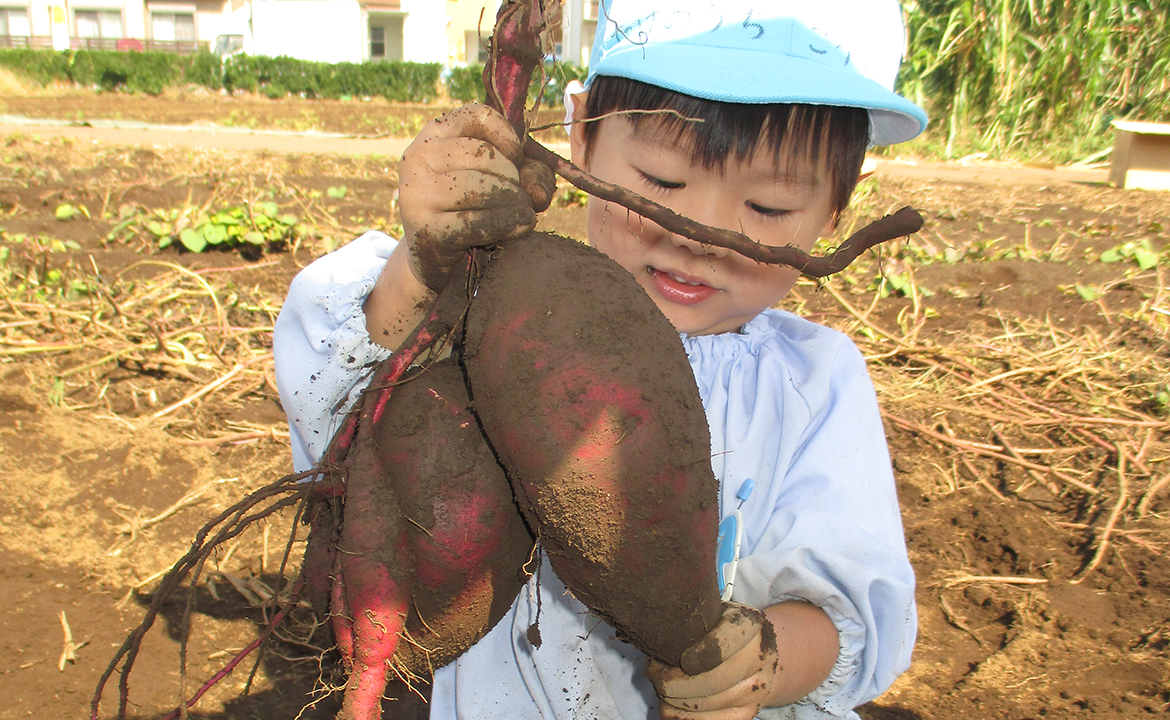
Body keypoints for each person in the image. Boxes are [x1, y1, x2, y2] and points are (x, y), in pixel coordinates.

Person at [273, 1, 928, 718]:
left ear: (839, 208)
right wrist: (422, 266)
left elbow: (849, 614)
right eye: (662, 181)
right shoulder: (484, 310)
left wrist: (760, 666)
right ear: (580, 136)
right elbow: (329, 392)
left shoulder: (815, 384)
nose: (702, 236)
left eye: (768, 207)